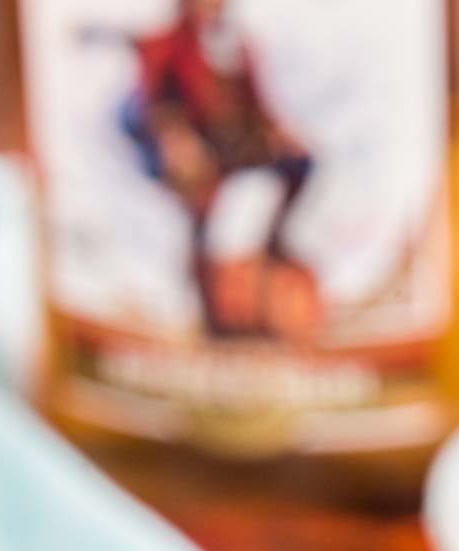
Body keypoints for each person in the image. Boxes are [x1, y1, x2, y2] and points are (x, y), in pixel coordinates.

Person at [116, 0, 316, 333]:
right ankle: (222, 295)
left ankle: (267, 267)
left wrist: (276, 130)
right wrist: (171, 134)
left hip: (235, 144)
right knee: (206, 186)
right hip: (192, 147)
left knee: (299, 165)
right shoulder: (166, 42)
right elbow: (152, 102)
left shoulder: (238, 45)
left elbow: (256, 102)